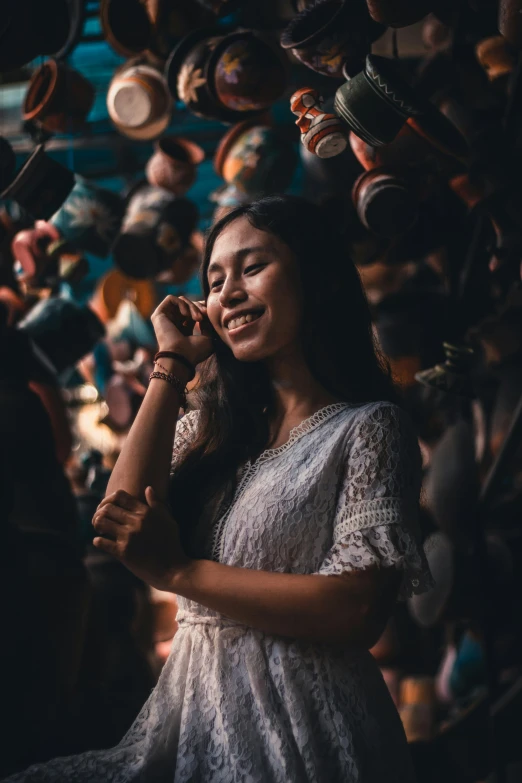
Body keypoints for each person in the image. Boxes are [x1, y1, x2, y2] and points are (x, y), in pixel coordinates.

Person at [6, 195, 433, 782]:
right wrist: (171, 365)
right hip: (198, 715)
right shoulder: (206, 433)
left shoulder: (368, 427)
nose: (227, 292)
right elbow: (117, 519)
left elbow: (358, 608)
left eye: (252, 268)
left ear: (316, 278)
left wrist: (180, 574)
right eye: (214, 279)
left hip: (308, 728)